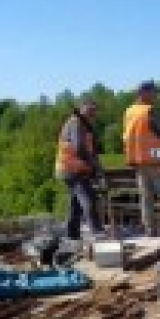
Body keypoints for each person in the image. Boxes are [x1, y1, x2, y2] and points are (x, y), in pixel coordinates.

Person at [54, 99, 105, 241]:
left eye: (94, 111)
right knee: (89, 199)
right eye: (90, 111)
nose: (92, 114)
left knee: (76, 202)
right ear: (81, 109)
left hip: (71, 168)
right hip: (72, 169)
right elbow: (79, 148)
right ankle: (97, 232)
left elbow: (91, 150)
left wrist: (96, 167)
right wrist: (92, 167)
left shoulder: (83, 124)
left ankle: (72, 234)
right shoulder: (76, 123)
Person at [123, 80, 160, 237]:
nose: (156, 95)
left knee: (146, 198)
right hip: (156, 160)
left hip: (138, 161)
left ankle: (150, 229)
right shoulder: (151, 111)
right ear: (144, 93)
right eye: (154, 92)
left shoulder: (129, 112)